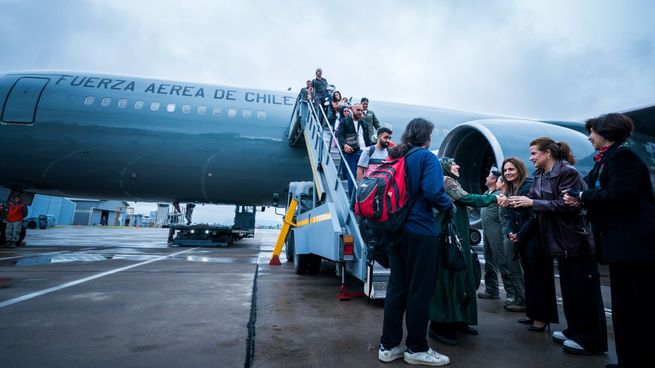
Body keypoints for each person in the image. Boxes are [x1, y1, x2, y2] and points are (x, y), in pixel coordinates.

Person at [563, 113, 655, 367]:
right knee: (624, 308)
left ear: (607, 132)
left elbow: (617, 194)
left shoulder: (623, 157)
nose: (589, 137)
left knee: (638, 308)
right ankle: (629, 359)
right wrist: (578, 195)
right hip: (620, 246)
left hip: (635, 247)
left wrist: (581, 194)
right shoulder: (605, 160)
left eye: (592, 132)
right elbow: (592, 188)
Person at [510, 137, 607, 355]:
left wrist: (532, 203)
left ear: (548, 153)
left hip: (575, 242)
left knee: (585, 294)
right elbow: (531, 197)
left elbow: (567, 205)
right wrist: (513, 200)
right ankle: (575, 330)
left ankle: (591, 340)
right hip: (558, 243)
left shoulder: (567, 172)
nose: (531, 157)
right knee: (570, 291)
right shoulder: (541, 176)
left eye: (534, 153)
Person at [379, 118, 452, 366]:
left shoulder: (397, 156)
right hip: (420, 230)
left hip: (393, 229)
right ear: (427, 137)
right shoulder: (426, 157)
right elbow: (433, 191)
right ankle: (416, 348)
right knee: (420, 291)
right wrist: (448, 204)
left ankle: (388, 347)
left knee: (397, 288)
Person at [428, 158, 508, 346]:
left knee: (462, 278)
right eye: (454, 163)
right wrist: (493, 197)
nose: (458, 165)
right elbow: (466, 198)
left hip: (458, 238)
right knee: (449, 278)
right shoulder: (446, 181)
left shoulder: (453, 183)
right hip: (448, 239)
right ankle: (440, 325)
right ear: (446, 167)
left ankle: (458, 320)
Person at [502, 158, 559, 331]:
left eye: (511, 169)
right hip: (522, 240)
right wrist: (511, 232)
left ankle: (542, 318)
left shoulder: (530, 185)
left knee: (541, 279)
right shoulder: (512, 188)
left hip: (536, 239)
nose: (507, 173)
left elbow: (535, 215)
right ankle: (532, 313)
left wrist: (520, 234)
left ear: (519, 169)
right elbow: (509, 215)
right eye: (505, 170)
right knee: (530, 277)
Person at [477, 169, 513, 301]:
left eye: (489, 176)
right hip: (487, 233)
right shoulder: (487, 194)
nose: (486, 178)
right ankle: (491, 290)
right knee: (489, 262)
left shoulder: (500, 196)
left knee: (501, 262)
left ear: (494, 180)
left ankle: (511, 293)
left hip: (497, 234)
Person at [496, 175, 526, 307]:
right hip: (507, 234)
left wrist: (512, 233)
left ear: (503, 183)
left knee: (515, 269)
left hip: (511, 237)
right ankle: (519, 297)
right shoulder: (504, 196)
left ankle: (521, 299)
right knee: (511, 268)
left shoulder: (510, 197)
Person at [336, 103, 367, 195]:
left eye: (361, 110)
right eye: (358, 110)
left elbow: (366, 138)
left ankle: (363, 197)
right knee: (352, 176)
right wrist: (344, 145)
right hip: (352, 152)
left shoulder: (363, 123)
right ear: (352, 110)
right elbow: (340, 136)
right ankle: (352, 200)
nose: (360, 112)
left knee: (365, 176)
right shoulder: (344, 121)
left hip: (364, 152)